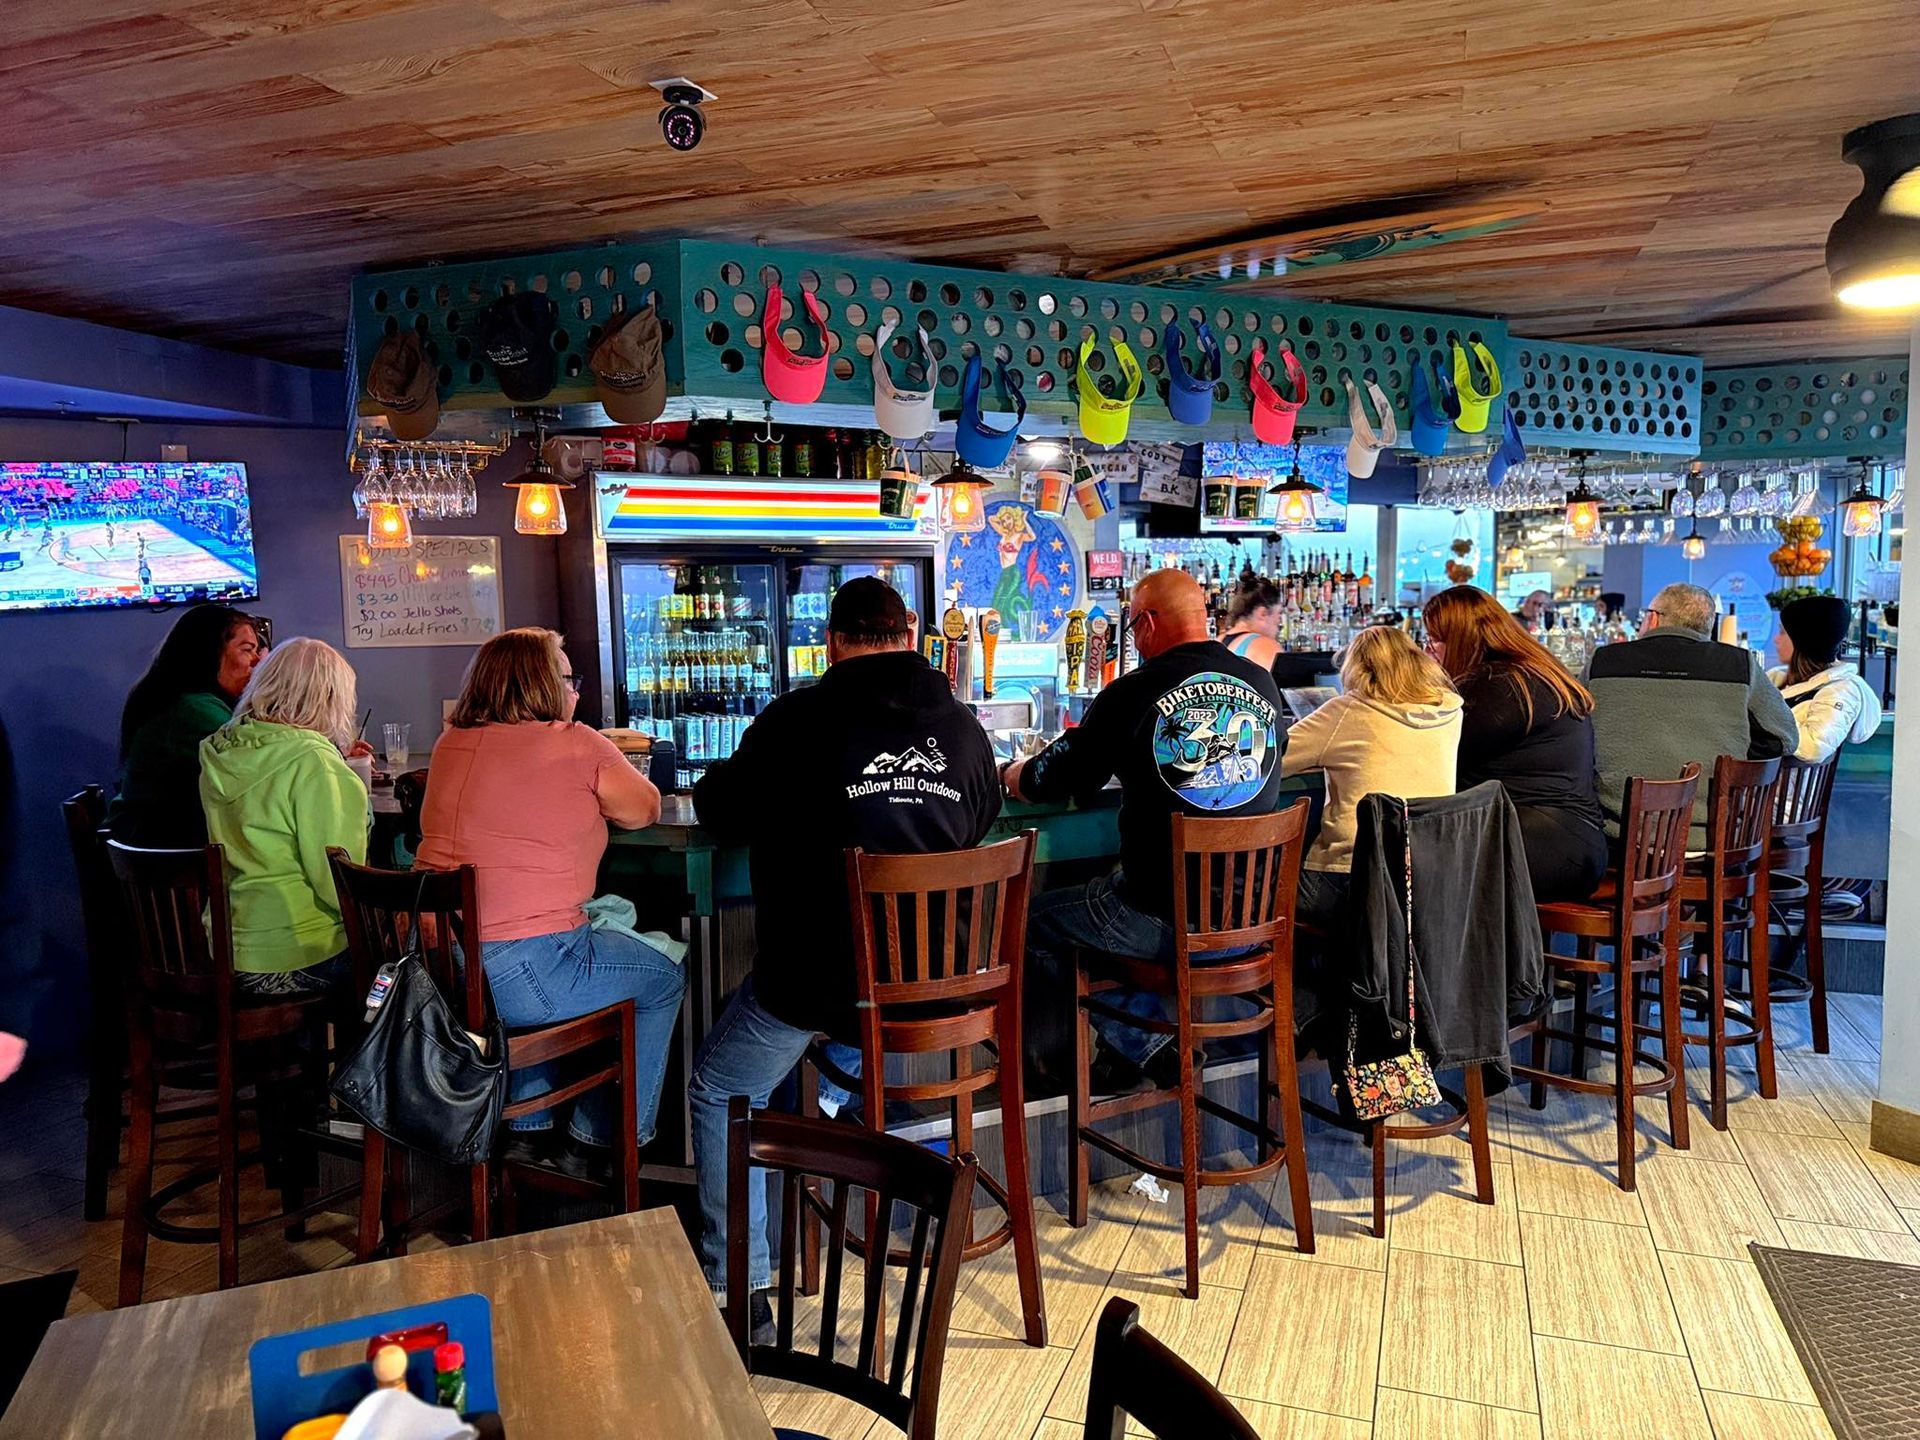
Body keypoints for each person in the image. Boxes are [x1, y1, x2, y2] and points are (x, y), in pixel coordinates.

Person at [686, 578, 998, 1320]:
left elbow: (719, 808)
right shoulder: (962, 727)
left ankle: (742, 1286)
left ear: (832, 640)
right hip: (939, 989)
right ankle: (829, 1099)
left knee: (721, 1088)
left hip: (819, 988)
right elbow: (984, 817)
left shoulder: (798, 719)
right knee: (861, 1021)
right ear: (912, 631)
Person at [1003, 568, 1286, 1092]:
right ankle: (1127, 1052)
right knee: (1114, 891)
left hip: (1161, 921)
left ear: (1149, 624)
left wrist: (1016, 775)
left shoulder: (1133, 692)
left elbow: (1059, 779)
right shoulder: (1261, 683)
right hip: (1253, 921)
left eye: (1132, 627)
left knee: (1029, 922)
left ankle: (1123, 1050)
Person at [416, 628, 685, 1179]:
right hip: (524, 978)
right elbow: (646, 809)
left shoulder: (450, 743)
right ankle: (602, 1142)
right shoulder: (576, 742)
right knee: (662, 978)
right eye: (567, 678)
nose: (576, 691)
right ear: (539, 683)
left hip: (446, 970)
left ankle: (528, 1130)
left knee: (556, 951)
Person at [198, 638, 369, 995]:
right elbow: (340, 883)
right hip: (298, 953)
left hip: (228, 950)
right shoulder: (315, 763)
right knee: (408, 958)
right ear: (330, 698)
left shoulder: (222, 748)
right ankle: (379, 1052)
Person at [1423, 586, 1607, 903]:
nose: (1428, 649)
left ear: (1462, 638)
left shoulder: (1497, 686)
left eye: (1436, 639)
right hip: (1575, 840)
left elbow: (1440, 758)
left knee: (1410, 860)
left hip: (1546, 843)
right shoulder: (1531, 671)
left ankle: (1451, 954)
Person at [1280, 624, 1462, 937]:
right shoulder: (1450, 710)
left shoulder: (1348, 710)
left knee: (1267, 878)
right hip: (1429, 878)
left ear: (1358, 668)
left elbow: (1274, 760)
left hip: (1354, 878)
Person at [1588, 582, 1798, 840]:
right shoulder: (1739, 665)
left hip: (1618, 836)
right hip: (1714, 840)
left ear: (1653, 619)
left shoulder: (1602, 661)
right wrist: (1734, 756)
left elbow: (1571, 732)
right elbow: (1785, 738)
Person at [108, 603, 266, 847]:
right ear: (209, 652)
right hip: (170, 861)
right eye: (248, 650)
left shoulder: (177, 698)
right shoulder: (194, 710)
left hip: (157, 844)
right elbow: (261, 766)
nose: (258, 663)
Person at [1768, 595, 1884, 763]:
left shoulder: (1841, 691)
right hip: (1756, 783)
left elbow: (1814, 747)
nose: (1776, 640)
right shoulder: (1775, 677)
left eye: (1782, 633)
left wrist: (1765, 719)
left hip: (1782, 787)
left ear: (1803, 641)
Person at [1219, 572, 1283, 672]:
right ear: (1263, 613)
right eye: (1278, 613)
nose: (1279, 622)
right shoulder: (1265, 646)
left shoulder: (1218, 641)